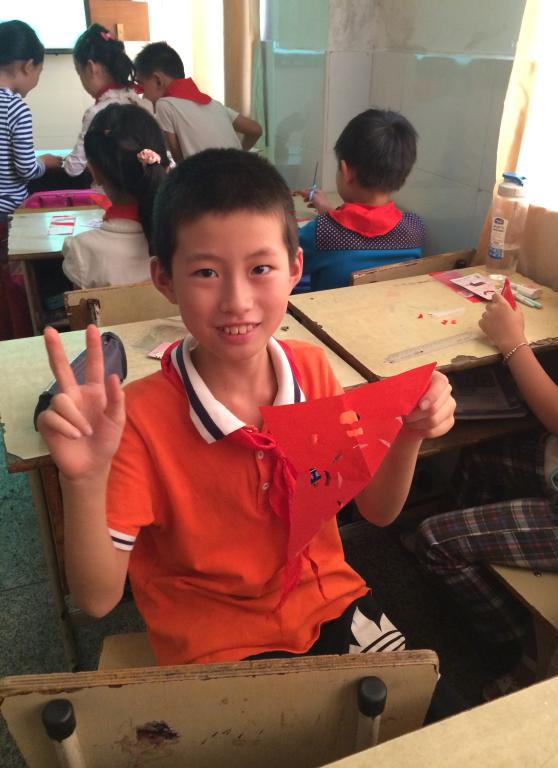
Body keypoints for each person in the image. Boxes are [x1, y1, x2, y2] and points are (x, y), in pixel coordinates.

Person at [38, 149, 456, 678]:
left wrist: (409, 434)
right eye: (206, 272)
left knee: (418, 711)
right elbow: (98, 600)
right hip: (210, 637)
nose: (237, 300)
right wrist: (83, 481)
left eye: (260, 268)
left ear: (294, 268)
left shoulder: (312, 371)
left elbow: (376, 511)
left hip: (326, 600)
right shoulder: (138, 421)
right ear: (164, 279)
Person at [413, 193, 558, 694]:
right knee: (481, 455)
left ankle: (514, 640)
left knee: (433, 539)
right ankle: (470, 563)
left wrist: (513, 342)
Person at [294, 109, 425, 291]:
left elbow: (285, 258)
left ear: (346, 171)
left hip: (331, 309)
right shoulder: (415, 228)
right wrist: (330, 212)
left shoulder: (319, 232)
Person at [61, 103, 169, 288]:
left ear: (95, 172)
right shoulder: (188, 238)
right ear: (163, 165)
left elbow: (79, 306)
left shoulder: (81, 251)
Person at [0, 20, 62, 339]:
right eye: (39, 71)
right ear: (27, 66)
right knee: (11, 285)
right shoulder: (16, 108)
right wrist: (46, 163)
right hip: (7, 216)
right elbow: (25, 168)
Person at [134, 42, 262, 163]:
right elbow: (255, 129)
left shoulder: (164, 105)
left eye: (141, 85)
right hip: (240, 171)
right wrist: (239, 153)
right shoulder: (214, 104)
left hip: (207, 177)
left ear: (158, 80)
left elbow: (180, 162)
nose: (142, 95)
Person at [63, 24, 149, 181]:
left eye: (79, 72)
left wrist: (61, 161)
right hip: (146, 188)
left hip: (112, 192)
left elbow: (73, 168)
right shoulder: (140, 101)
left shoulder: (97, 113)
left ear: (91, 68)